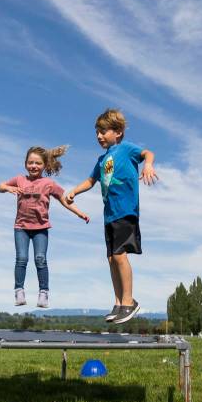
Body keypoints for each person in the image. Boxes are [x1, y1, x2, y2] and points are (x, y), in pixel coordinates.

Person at [63, 108, 157, 324]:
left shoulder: (126, 149)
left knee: (119, 255)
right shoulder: (101, 159)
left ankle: (129, 302)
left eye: (103, 131)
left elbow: (147, 153)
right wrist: (74, 191)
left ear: (118, 132)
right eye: (97, 132)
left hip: (126, 210)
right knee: (111, 259)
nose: (99, 136)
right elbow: (90, 181)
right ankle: (118, 302)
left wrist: (148, 164)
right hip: (110, 215)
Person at [0, 145, 89, 308]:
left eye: (38, 163)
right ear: (25, 164)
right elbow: (0, 186)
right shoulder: (19, 179)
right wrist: (7, 187)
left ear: (45, 166)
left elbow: (64, 200)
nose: (33, 166)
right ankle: (19, 291)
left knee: (40, 259)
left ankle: (43, 293)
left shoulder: (48, 183)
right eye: (30, 162)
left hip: (41, 228)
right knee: (21, 259)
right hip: (21, 228)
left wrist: (79, 213)